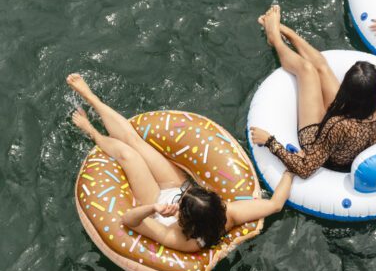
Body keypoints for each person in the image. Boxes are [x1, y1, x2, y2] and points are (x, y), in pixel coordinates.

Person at [67, 74, 292, 252]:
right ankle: (92, 98)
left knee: (129, 155)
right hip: (176, 184)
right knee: (136, 141)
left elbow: (128, 220)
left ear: (187, 221)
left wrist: (154, 208)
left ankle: (92, 133)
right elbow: (275, 205)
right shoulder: (229, 213)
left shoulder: (180, 239)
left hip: (154, 201)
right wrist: (290, 171)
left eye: (183, 204)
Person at [249, 4, 376, 179]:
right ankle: (286, 32)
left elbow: (306, 168)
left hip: (321, 143)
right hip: (347, 131)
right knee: (322, 67)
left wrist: (270, 142)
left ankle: (276, 39)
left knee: (306, 70)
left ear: (346, 92)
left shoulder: (338, 125)